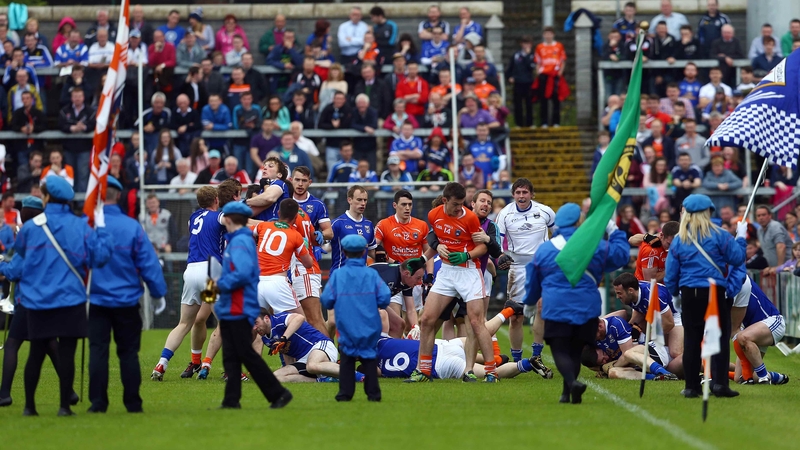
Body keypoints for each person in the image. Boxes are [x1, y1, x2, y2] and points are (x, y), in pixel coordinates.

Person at [0, 176, 113, 416]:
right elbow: (100, 257)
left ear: (47, 197)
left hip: (37, 300)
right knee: (67, 353)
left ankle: (30, 407)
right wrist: (102, 229)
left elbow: (18, 264)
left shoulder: (30, 228)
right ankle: (64, 407)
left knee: (36, 354)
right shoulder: (81, 226)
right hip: (70, 299)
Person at [525, 203, 629, 403]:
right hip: (587, 308)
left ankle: (572, 383)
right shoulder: (593, 245)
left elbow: (533, 278)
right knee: (575, 349)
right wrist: (612, 229)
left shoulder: (545, 249)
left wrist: (529, 304)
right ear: (579, 221)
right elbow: (620, 255)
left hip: (556, 308)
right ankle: (567, 393)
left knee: (560, 349)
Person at [87, 176, 166, 414]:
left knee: (98, 352)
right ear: (118, 195)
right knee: (129, 353)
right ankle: (133, 403)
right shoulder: (132, 226)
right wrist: (157, 293)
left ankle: (98, 403)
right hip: (127, 301)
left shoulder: (88, 225)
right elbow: (148, 263)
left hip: (97, 300)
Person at [406, 183, 496, 382]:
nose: (459, 208)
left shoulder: (470, 218)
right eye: (455, 204)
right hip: (446, 272)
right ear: (445, 201)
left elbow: (483, 248)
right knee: (427, 319)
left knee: (475, 322)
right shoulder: (434, 215)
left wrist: (466, 256)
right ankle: (424, 371)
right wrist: (422, 260)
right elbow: (436, 243)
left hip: (469, 273)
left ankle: (491, 372)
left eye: (462, 204)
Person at [664, 194, 748, 398]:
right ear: (709, 212)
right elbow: (737, 258)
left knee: (692, 340)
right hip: (713, 291)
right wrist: (741, 239)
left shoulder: (678, 240)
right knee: (719, 338)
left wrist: (675, 293)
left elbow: (671, 273)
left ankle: (691, 386)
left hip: (689, 293)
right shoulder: (719, 235)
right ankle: (720, 384)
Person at [0, 197, 78, 408]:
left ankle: (4, 393)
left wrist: (1, 265)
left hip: (29, 300)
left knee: (12, 345)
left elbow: (16, 271)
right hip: (49, 299)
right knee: (51, 345)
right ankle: (69, 392)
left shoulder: (27, 233)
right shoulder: (49, 231)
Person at [214, 201, 292, 409]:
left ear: (228, 219)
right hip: (235, 306)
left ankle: (278, 394)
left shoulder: (238, 243)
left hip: (238, 307)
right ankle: (231, 400)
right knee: (231, 356)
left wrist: (219, 285)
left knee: (243, 354)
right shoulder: (241, 240)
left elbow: (240, 273)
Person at [151, 187, 224, 381]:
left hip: (191, 271)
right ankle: (227, 367)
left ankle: (161, 364)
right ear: (216, 199)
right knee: (226, 322)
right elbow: (233, 222)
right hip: (210, 272)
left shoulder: (192, 218)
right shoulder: (219, 217)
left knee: (185, 323)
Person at [494, 178, 555, 375]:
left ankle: (537, 355)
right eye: (518, 192)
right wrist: (499, 257)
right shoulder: (504, 215)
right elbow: (498, 241)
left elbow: (558, 230)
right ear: (513, 195)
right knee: (516, 316)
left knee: (541, 308)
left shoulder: (545, 211)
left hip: (541, 265)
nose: (522, 196)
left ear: (532, 194)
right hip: (517, 267)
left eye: (525, 192)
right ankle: (517, 361)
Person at [321, 234, 391, 401]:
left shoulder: (338, 275)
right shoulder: (371, 275)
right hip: (369, 326)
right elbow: (385, 297)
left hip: (346, 326)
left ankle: (345, 393)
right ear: (364, 252)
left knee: (347, 359)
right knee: (369, 359)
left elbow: (326, 300)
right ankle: (373, 394)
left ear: (344, 252)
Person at [253, 311, 341, 382]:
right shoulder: (266, 339)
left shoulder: (278, 320)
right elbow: (286, 351)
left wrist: (283, 338)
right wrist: (289, 367)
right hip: (304, 360)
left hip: (319, 345)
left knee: (312, 366)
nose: (254, 327)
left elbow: (300, 318)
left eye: (256, 323)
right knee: (276, 377)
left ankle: (353, 375)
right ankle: (323, 380)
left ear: (266, 318)